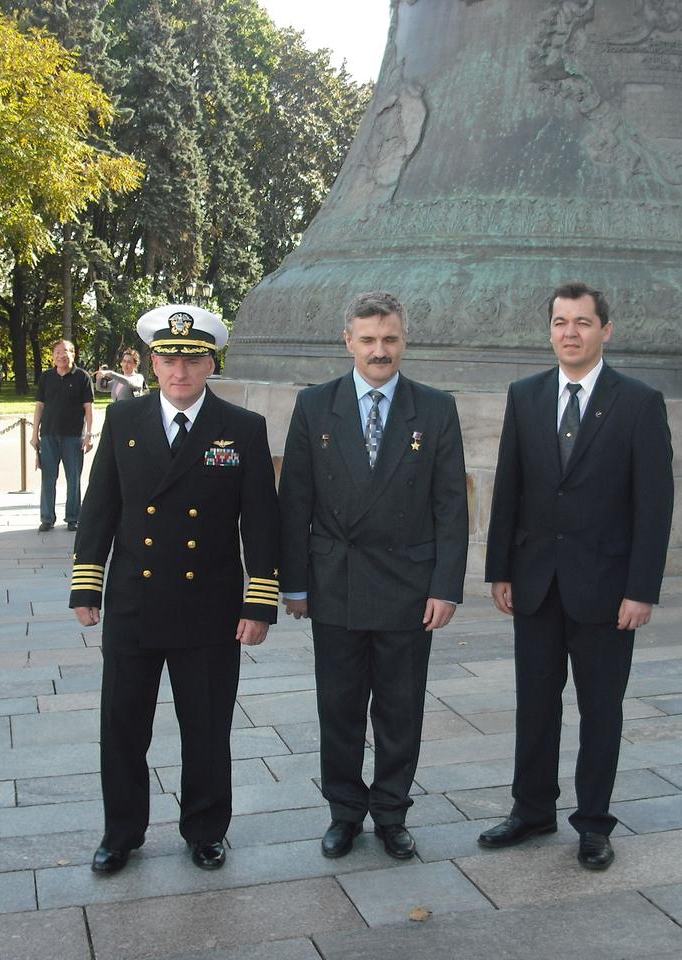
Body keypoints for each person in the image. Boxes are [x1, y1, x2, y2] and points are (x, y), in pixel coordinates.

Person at [70, 303, 280, 876]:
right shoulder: (125, 421)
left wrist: (259, 602)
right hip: (135, 604)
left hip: (209, 608)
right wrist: (87, 586)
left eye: (192, 359)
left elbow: (261, 522)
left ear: (211, 363)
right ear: (153, 363)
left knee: (207, 728)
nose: (179, 371)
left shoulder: (242, 428)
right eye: (168, 358)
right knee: (122, 725)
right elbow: (100, 508)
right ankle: (121, 832)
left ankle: (206, 829)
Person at [479, 281, 674, 871]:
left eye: (583, 323)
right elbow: (508, 487)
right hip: (535, 583)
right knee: (534, 705)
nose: (570, 332)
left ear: (605, 331)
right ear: (551, 330)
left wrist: (641, 589)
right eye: (561, 322)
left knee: (600, 710)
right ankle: (532, 809)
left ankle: (593, 823)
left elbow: (654, 506)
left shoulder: (639, 403)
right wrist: (499, 571)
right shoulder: (526, 395)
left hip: (607, 591)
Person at [278, 292, 468, 861]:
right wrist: (294, 583)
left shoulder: (435, 409)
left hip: (408, 589)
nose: (379, 351)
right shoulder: (315, 406)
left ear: (404, 340)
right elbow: (295, 500)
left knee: (399, 707)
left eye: (389, 339)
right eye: (368, 340)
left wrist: (446, 586)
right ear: (348, 342)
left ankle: (390, 812)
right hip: (335, 583)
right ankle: (343, 813)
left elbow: (451, 506)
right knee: (337, 707)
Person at [32, 339, 93, 532]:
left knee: (73, 478)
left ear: (73, 354)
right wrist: (34, 434)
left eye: (65, 351)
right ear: (53, 356)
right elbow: (39, 406)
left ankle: (73, 517)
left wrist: (89, 434)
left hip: (73, 436)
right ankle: (47, 518)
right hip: (48, 434)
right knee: (48, 478)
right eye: (57, 352)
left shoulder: (82, 377)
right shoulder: (46, 377)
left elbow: (89, 408)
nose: (60, 355)